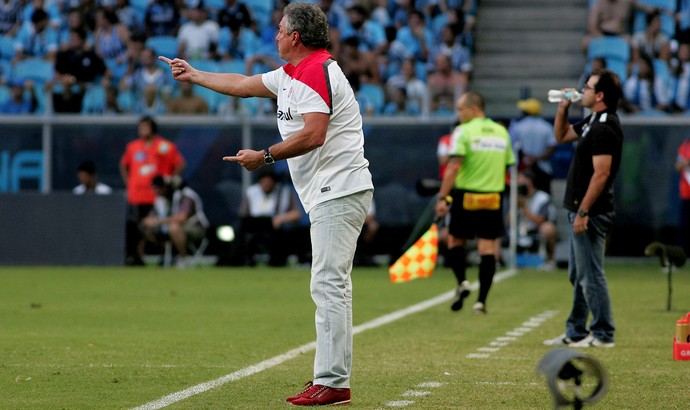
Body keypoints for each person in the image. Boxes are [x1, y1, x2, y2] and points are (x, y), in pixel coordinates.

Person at [160, 2, 373, 406]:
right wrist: (195, 74)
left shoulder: (316, 70)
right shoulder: (294, 72)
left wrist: (266, 156)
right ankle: (332, 380)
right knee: (332, 284)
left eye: (279, 29)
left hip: (339, 187)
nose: (274, 35)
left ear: (295, 37)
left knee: (328, 284)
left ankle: (332, 382)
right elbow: (241, 84)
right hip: (332, 189)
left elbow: (314, 135)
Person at [544, 68, 623, 348]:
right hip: (581, 208)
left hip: (590, 211)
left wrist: (583, 211)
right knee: (579, 275)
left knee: (591, 275)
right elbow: (562, 135)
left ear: (599, 95)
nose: (582, 91)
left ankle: (603, 333)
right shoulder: (593, 121)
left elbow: (601, 174)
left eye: (587, 88)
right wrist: (563, 108)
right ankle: (576, 330)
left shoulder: (604, 126)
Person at [434, 91, 516, 315]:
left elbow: (453, 166)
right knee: (487, 249)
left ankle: (462, 282)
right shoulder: (502, 132)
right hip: (493, 198)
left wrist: (442, 196)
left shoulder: (463, 131)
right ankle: (481, 301)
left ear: (473, 109)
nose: (458, 114)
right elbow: (508, 164)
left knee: (454, 241)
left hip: (467, 196)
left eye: (460, 109)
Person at [119, 115, 186, 266]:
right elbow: (123, 164)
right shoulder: (133, 147)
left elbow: (180, 164)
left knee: (160, 228)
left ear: (153, 128)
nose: (142, 129)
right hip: (137, 195)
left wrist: (169, 181)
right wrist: (129, 182)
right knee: (138, 228)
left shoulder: (164, 146)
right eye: (140, 127)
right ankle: (137, 257)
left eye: (145, 126)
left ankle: (165, 255)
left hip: (157, 197)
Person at [237, 167, 302, 266]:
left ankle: (277, 263)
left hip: (277, 229)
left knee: (284, 237)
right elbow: (243, 214)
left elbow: (297, 214)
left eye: (268, 182)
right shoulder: (251, 192)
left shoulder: (284, 192)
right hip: (255, 228)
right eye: (263, 183)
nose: (266, 185)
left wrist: (281, 218)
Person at [141, 175, 209, 268]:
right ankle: (161, 256)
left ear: (165, 187)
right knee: (148, 229)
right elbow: (152, 215)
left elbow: (182, 218)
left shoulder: (186, 196)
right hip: (173, 229)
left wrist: (157, 221)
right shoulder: (161, 199)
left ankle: (183, 260)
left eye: (157, 188)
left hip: (196, 228)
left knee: (174, 228)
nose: (155, 191)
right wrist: (149, 220)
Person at [509, 97, 557, 193]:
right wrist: (537, 158)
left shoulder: (518, 127)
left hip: (523, 170)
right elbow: (552, 147)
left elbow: (513, 147)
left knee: (522, 201)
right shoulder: (546, 127)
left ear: (526, 112)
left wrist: (528, 158)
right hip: (543, 169)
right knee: (543, 200)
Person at [515, 171, 557, 269]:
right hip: (518, 229)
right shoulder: (515, 196)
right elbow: (507, 221)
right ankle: (498, 260)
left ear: (530, 182)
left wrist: (523, 207)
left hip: (536, 229)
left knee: (548, 228)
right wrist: (515, 206)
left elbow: (541, 220)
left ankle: (550, 260)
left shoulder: (543, 197)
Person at [675, 137, 690, 255]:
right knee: (684, 226)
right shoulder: (685, 146)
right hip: (686, 194)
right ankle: (681, 255)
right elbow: (678, 166)